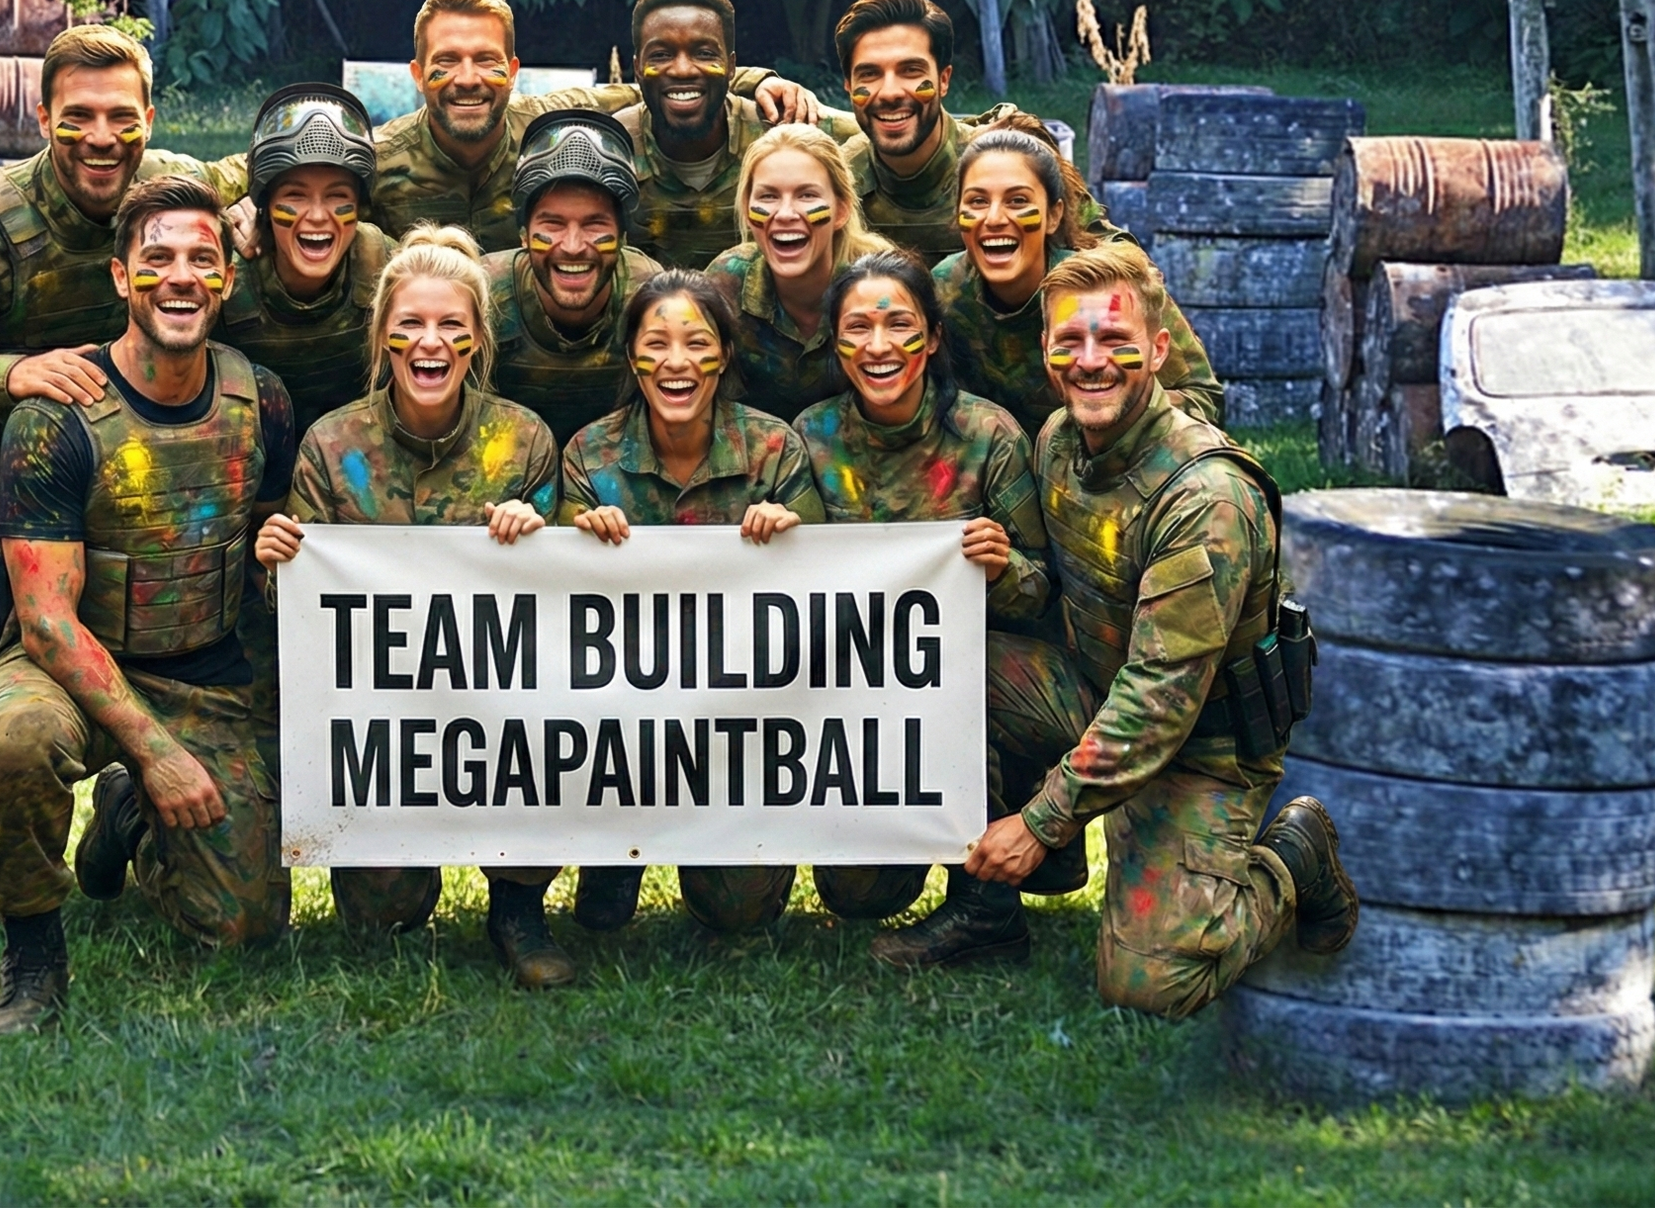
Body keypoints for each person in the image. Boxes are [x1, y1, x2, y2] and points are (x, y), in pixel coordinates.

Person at [0, 22, 243, 935]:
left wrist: (244, 209)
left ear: (150, 119)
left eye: (121, 117)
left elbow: (241, 181)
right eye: (77, 116)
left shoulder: (171, 189)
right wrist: (14, 373)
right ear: (43, 117)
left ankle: (133, 794)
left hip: (132, 452)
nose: (100, 137)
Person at [966, 241, 1358, 1017]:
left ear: (1157, 348)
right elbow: (1049, 592)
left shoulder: (1205, 497)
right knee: (944, 664)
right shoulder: (1057, 444)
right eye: (1069, 342)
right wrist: (1001, 568)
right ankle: (986, 907)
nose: (1090, 362)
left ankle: (1293, 858)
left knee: (1149, 984)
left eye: (1114, 342)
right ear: (1045, 349)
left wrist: (1039, 822)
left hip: (1203, 749)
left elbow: (1159, 701)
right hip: (1094, 693)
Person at [0, 174, 295, 1034]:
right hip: (64, 664)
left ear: (225, 280)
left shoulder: (262, 399)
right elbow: (43, 619)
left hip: (204, 672)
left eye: (200, 260)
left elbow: (267, 533)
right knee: (15, 740)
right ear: (120, 278)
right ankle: (33, 951)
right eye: (158, 259)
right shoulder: (56, 419)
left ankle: (124, 823)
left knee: (244, 926)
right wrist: (157, 752)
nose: (179, 277)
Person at [251, 227, 576, 988]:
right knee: (384, 914)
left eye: (451, 326)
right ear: (382, 337)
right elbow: (299, 612)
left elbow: (560, 606)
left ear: (476, 342)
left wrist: (539, 536)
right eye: (411, 325)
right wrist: (277, 562)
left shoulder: (523, 440)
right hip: (380, 719)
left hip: (498, 710)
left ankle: (520, 905)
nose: (430, 342)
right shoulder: (332, 445)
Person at [791, 251, 1055, 968]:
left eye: (899, 324)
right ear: (835, 342)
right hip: (854, 684)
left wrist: (999, 568)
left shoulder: (989, 434)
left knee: (953, 678)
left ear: (933, 337)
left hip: (985, 670)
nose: (878, 346)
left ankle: (986, 907)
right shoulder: (810, 438)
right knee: (856, 891)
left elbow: (1040, 590)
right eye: (858, 328)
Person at [559, 271, 824, 938]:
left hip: (741, 730)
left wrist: (793, 535)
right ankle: (615, 844)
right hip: (614, 727)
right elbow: (549, 606)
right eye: (657, 343)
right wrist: (576, 538)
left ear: (725, 355)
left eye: (696, 342)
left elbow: (832, 587)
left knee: (739, 911)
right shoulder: (589, 456)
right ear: (631, 356)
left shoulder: (773, 450)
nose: (676, 362)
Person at [371, 0, 814, 250]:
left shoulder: (547, 128)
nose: (467, 79)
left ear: (512, 72)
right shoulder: (379, 160)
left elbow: (656, 84)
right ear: (416, 73)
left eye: (486, 61)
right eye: (446, 62)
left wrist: (757, 81)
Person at [933, 130, 1222, 435]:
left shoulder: (1106, 287)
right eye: (977, 201)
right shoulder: (943, 290)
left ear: (1053, 215)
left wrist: (1101, 421)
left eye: (1018, 201)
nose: (993, 218)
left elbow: (1204, 398)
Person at [832, 0, 1102, 264]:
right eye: (870, 74)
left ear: (944, 80)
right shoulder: (835, 181)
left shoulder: (1009, 161)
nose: (890, 93)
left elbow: (1118, 256)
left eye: (911, 70)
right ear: (849, 86)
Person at [616, 0, 861, 267]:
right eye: (661, 55)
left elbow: (874, 132)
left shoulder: (782, 129)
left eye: (704, 53)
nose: (682, 69)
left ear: (732, 66)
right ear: (637, 69)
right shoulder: (611, 146)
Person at [216, 82, 391, 442]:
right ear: (263, 204)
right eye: (294, 195)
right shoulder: (225, 276)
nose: (316, 216)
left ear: (359, 208)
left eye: (337, 197)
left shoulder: (385, 264)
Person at [486, 108, 663, 445]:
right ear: (523, 235)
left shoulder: (651, 301)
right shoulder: (479, 296)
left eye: (595, 224)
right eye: (552, 225)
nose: (572, 246)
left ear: (623, 237)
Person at [703, 126, 892, 422]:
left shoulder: (885, 283)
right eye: (768, 196)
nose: (786, 213)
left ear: (841, 209)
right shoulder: (726, 283)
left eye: (806, 195)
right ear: (747, 208)